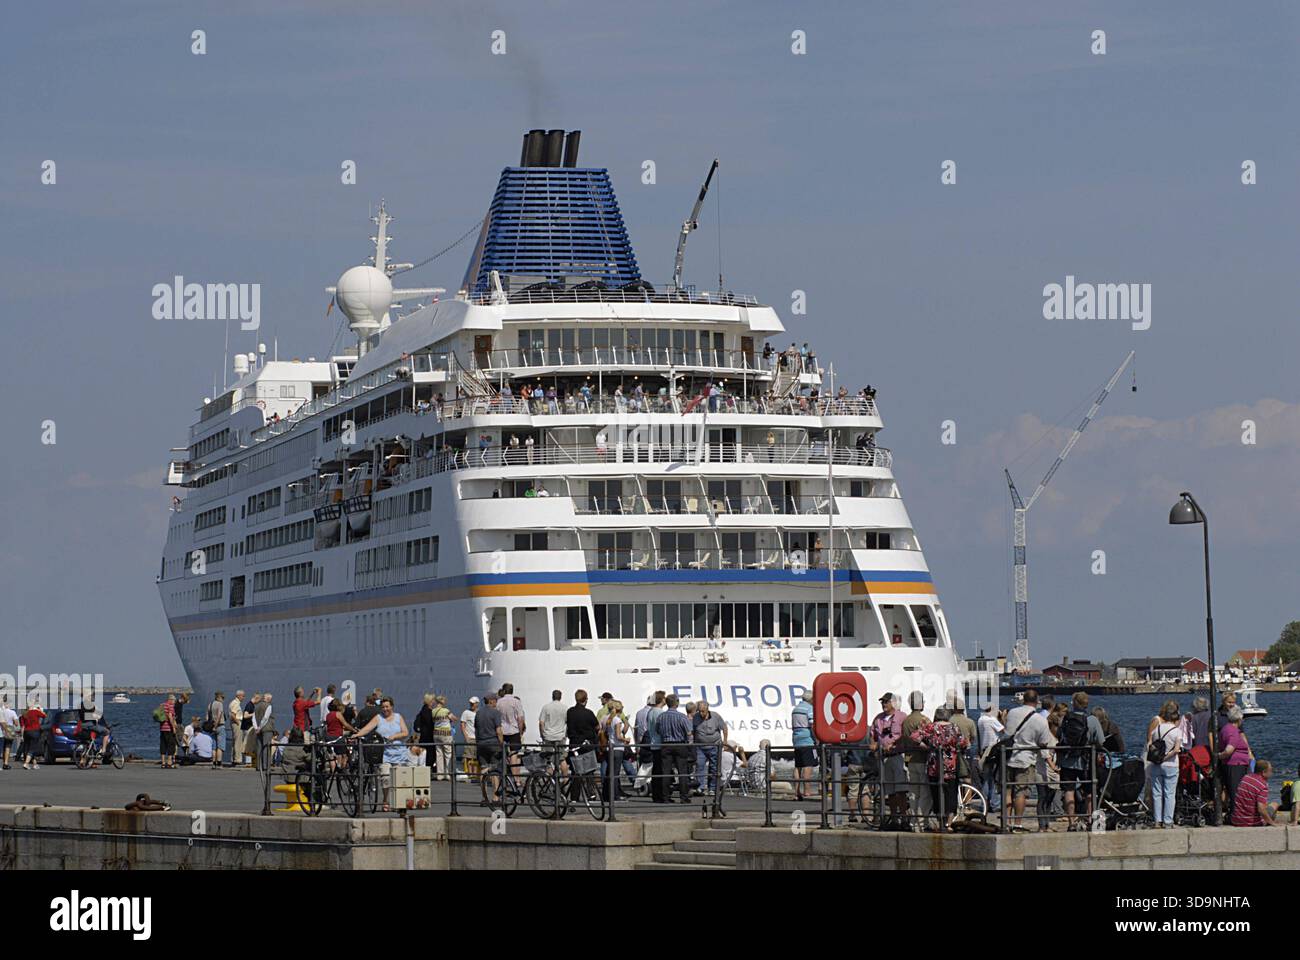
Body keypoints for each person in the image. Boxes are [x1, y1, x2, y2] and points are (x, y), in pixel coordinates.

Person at [1003, 690, 1054, 831]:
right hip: (1026, 759)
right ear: (1036, 701)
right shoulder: (1041, 720)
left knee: (1007, 791)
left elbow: (1006, 732)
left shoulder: (1012, 712)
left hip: (1008, 756)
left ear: (1023, 699)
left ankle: (1006, 822)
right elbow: (1044, 742)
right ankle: (1018, 823)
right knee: (1021, 793)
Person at [1057, 691, 1106, 828]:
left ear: (1074, 703)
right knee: (1090, 791)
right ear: (1086, 704)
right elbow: (1101, 742)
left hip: (1067, 760)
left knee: (1069, 791)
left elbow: (1059, 736)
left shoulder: (1065, 719)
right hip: (1086, 761)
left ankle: (1072, 822)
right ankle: (1092, 820)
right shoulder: (1092, 720)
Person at [1145, 699, 1185, 828]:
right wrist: (1165, 757)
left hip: (1156, 764)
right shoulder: (1176, 731)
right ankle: (1168, 821)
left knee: (1157, 793)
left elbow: (1150, 744)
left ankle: (1158, 820)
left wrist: (1159, 758)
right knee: (1169, 793)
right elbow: (1176, 750)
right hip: (1171, 765)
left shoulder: (1157, 729)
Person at [870, 692, 909, 819]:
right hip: (884, 758)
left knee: (901, 790)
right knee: (890, 791)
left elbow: (906, 735)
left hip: (897, 756)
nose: (884, 705)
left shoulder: (902, 717)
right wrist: (873, 744)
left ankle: (903, 817)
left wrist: (895, 744)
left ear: (893, 703)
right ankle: (893, 817)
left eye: (886, 702)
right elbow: (873, 736)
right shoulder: (878, 719)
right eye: (882, 702)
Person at [901, 691, 932, 826]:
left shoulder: (906, 721)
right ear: (921, 704)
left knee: (913, 792)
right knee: (925, 793)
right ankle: (921, 821)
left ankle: (913, 820)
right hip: (922, 759)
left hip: (910, 760)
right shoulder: (924, 720)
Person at [655, 695, 693, 803]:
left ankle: (665, 797)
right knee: (682, 772)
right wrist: (690, 744)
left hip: (666, 745)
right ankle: (683, 797)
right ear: (676, 703)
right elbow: (689, 733)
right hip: (680, 744)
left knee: (665, 772)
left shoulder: (661, 717)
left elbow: (657, 730)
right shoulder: (682, 717)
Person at [1217, 706, 1252, 818]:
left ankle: (1235, 813)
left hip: (1234, 763)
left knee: (1235, 790)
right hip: (1235, 764)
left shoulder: (1227, 728)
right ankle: (1236, 815)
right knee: (1235, 791)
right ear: (1239, 719)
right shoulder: (1232, 731)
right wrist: (1220, 756)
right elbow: (1229, 750)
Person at [693, 701, 727, 796]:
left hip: (714, 745)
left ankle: (712, 788)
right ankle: (701, 787)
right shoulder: (695, 717)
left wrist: (725, 741)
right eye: (699, 711)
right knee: (700, 766)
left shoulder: (716, 716)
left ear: (707, 709)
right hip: (700, 746)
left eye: (703, 711)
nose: (701, 713)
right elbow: (692, 730)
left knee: (714, 767)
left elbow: (724, 728)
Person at [976, 704, 1006, 813]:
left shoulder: (980, 719)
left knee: (986, 778)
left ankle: (984, 803)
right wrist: (1002, 718)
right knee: (995, 778)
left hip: (984, 750)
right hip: (994, 750)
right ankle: (995, 803)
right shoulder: (992, 720)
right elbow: (1004, 731)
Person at [1230, 759, 1277, 827]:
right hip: (1251, 822)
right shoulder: (1263, 786)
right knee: (1274, 804)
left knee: (1264, 805)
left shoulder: (1245, 777)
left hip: (1236, 819)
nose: (1272, 773)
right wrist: (1273, 823)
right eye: (1271, 770)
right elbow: (1261, 809)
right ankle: (1270, 822)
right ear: (1263, 772)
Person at [475, 693, 505, 796]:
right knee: (494, 769)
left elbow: (476, 730)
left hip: (481, 744)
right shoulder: (495, 713)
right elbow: (499, 731)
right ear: (491, 701)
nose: (496, 703)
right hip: (493, 744)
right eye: (495, 701)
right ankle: (495, 797)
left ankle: (484, 797)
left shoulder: (478, 713)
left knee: (483, 769)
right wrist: (502, 744)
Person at [791, 689, 816, 800]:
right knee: (808, 765)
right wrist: (817, 738)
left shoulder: (795, 709)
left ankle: (796, 791)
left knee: (798, 766)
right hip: (807, 739)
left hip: (796, 739)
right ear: (811, 699)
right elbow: (812, 724)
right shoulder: (809, 708)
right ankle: (807, 791)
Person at [430, 695, 455, 780]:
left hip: (436, 733)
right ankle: (447, 774)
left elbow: (433, 721)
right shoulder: (446, 710)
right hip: (446, 734)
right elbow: (454, 718)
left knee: (439, 753)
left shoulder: (433, 711)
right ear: (442, 701)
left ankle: (439, 775)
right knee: (448, 753)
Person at [539, 689, 568, 759]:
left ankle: (550, 768)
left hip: (548, 736)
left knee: (548, 758)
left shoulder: (546, 707)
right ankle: (562, 769)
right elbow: (567, 723)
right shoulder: (565, 708)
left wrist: (542, 734)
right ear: (561, 697)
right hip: (560, 736)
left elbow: (541, 723)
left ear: (552, 696)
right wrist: (566, 735)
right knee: (561, 758)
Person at [251, 692, 275, 771]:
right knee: (266, 747)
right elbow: (265, 718)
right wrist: (260, 727)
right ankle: (265, 766)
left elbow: (253, 718)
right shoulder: (269, 706)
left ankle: (259, 766)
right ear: (268, 699)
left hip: (258, 729)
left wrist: (256, 728)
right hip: (266, 729)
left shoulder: (257, 706)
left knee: (259, 747)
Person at [20, 699, 45, 770]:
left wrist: (22, 736)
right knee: (32, 748)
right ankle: (26, 763)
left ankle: (35, 764)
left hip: (26, 732)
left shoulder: (24, 713)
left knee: (29, 748)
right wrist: (39, 709)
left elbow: (23, 726)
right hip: (35, 731)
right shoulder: (35, 711)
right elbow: (44, 715)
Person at [460, 696, 480, 779]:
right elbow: (462, 724)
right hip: (470, 737)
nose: (471, 704)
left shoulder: (479, 712)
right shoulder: (466, 712)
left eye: (473, 703)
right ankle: (470, 773)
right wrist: (466, 736)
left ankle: (475, 774)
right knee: (468, 756)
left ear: (477, 704)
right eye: (471, 703)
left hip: (478, 737)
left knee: (476, 757)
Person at [158, 693, 178, 770]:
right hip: (168, 728)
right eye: (174, 700)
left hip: (162, 728)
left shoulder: (162, 705)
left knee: (163, 745)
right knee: (171, 744)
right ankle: (169, 762)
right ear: (171, 700)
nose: (174, 702)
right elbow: (170, 717)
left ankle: (163, 763)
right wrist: (173, 727)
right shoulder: (170, 706)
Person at [207, 691, 226, 767]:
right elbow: (219, 715)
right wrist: (216, 725)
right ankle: (219, 763)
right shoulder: (220, 704)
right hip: (219, 726)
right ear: (219, 697)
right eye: (223, 698)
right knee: (220, 746)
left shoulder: (210, 704)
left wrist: (211, 726)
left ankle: (213, 763)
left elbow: (207, 716)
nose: (223, 700)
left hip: (211, 727)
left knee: (214, 746)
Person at [228, 691, 245, 769]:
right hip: (236, 723)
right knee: (238, 741)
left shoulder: (233, 702)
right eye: (243, 696)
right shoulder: (235, 703)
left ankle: (234, 758)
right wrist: (238, 722)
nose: (244, 698)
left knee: (235, 741)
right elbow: (232, 714)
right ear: (239, 696)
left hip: (234, 723)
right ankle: (237, 760)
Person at [0, 697, 18, 770]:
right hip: (9, 730)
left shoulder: (1, 711)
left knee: (2, 748)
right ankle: (6, 763)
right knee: (7, 747)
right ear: (9, 704)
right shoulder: (12, 712)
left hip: (1, 731)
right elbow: (16, 723)